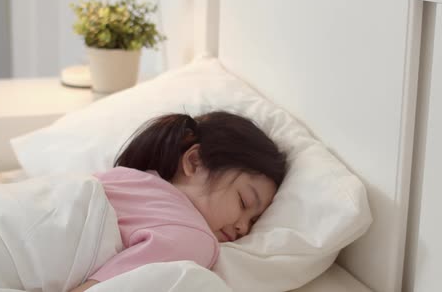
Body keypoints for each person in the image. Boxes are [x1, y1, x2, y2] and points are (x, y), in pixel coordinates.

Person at [71, 111, 287, 291]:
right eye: (244, 202)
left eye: (254, 220)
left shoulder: (123, 177)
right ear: (194, 161)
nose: (243, 228)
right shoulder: (193, 237)